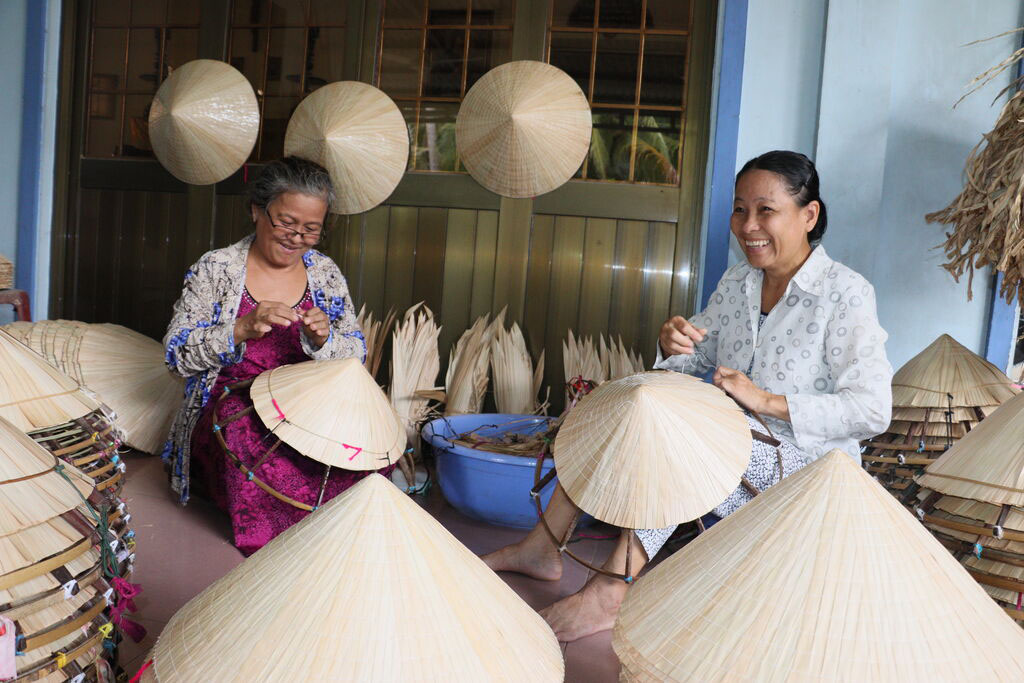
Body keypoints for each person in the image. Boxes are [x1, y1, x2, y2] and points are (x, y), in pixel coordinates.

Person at [483, 150, 893, 641]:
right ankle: (543, 547)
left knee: (685, 435)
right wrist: (671, 343)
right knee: (623, 402)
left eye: (766, 210)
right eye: (740, 209)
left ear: (809, 215)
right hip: (738, 445)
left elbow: (872, 410)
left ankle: (612, 591)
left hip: (810, 468)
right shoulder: (739, 281)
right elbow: (692, 360)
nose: (748, 225)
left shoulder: (844, 293)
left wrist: (765, 401)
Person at [162, 156, 389, 555]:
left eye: (310, 229)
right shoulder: (216, 268)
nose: (295, 237)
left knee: (368, 448)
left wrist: (323, 342)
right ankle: (281, 547)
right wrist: (241, 328)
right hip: (233, 405)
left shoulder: (325, 274)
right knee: (251, 442)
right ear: (256, 210)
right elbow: (176, 356)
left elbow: (355, 355)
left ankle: (336, 535)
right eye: (286, 222)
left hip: (308, 404)